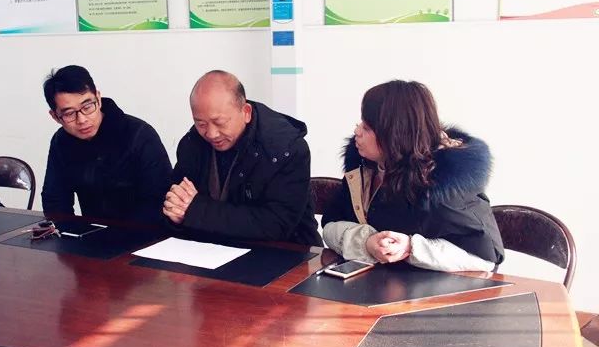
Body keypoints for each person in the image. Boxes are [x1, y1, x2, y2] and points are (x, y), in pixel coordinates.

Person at [321, 80, 504, 271]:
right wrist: (366, 242)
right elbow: (330, 226)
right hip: (375, 283)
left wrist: (411, 248)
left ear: (395, 135)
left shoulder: (443, 187)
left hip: (429, 289)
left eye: (367, 127)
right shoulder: (364, 167)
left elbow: (486, 259)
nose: (357, 131)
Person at [164, 70, 320, 245]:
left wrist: (197, 211)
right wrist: (176, 215)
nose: (211, 133)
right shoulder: (193, 143)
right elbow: (177, 203)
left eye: (220, 122)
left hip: (288, 251)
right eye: (201, 124)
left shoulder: (286, 149)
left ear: (246, 112)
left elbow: (275, 225)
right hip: (211, 249)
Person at [41, 65, 172, 223]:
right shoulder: (61, 141)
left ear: (98, 98)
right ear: (55, 116)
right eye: (69, 113)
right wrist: (70, 233)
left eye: (87, 107)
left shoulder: (140, 135)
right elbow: (55, 201)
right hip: (92, 234)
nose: (82, 119)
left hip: (145, 232)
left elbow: (160, 201)